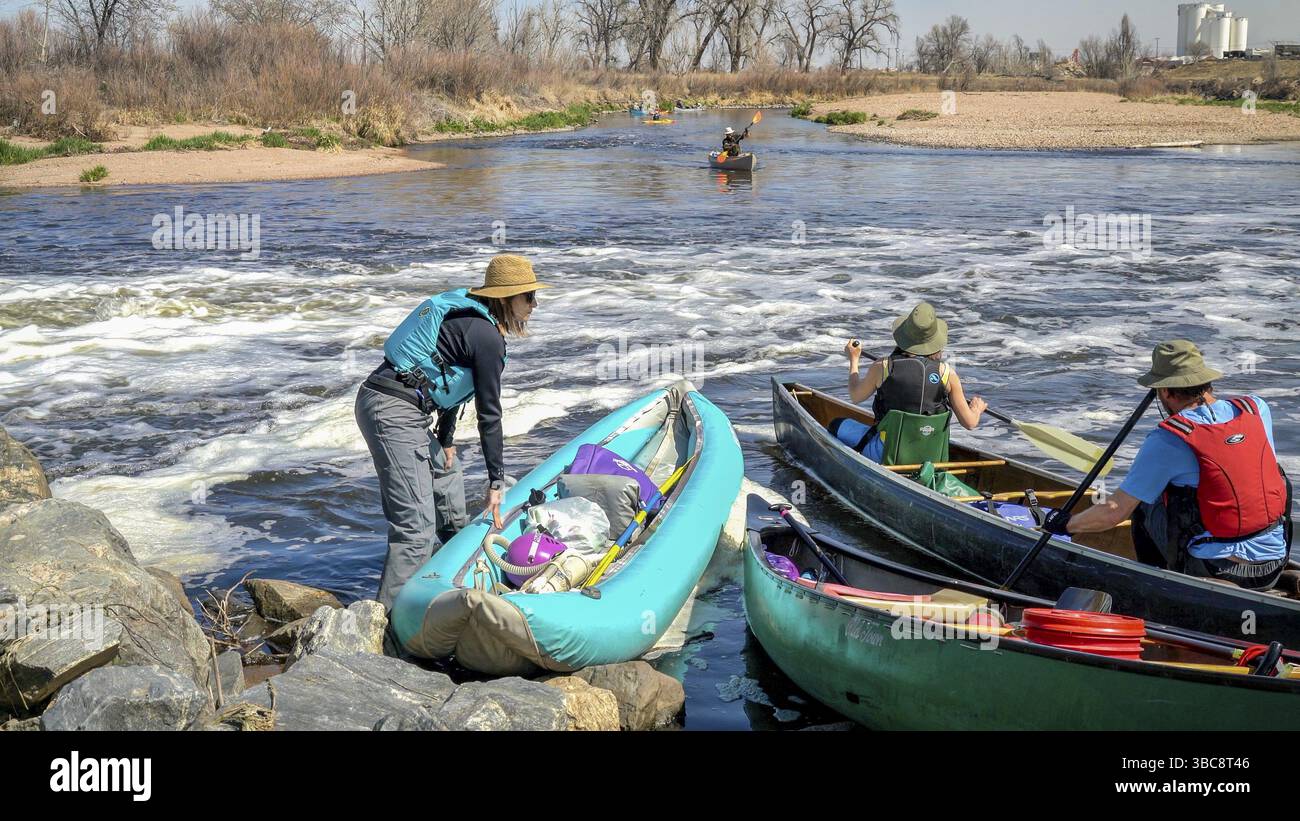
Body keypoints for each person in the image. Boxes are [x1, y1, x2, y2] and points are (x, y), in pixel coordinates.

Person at [355, 254, 550, 609]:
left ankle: (451, 569)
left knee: (447, 474)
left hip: (393, 404)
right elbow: (489, 414)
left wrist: (444, 442)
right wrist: (496, 482)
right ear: (506, 298)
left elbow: (445, 381)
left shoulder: (471, 319)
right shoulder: (487, 337)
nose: (534, 305)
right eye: (528, 297)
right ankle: (386, 626)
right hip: (392, 410)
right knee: (415, 529)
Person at [1047, 340, 1292, 590]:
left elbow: (1114, 511)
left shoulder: (1169, 438)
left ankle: (1159, 585)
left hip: (1216, 569)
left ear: (1164, 391)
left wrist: (1066, 523)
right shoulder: (1255, 408)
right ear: (1205, 380)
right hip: (1273, 564)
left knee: (1144, 501)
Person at [841, 301, 986, 464]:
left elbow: (855, 396)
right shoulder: (947, 373)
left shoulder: (883, 367)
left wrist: (854, 359)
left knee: (837, 424)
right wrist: (977, 409)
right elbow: (970, 423)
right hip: (931, 459)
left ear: (904, 335)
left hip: (888, 455)